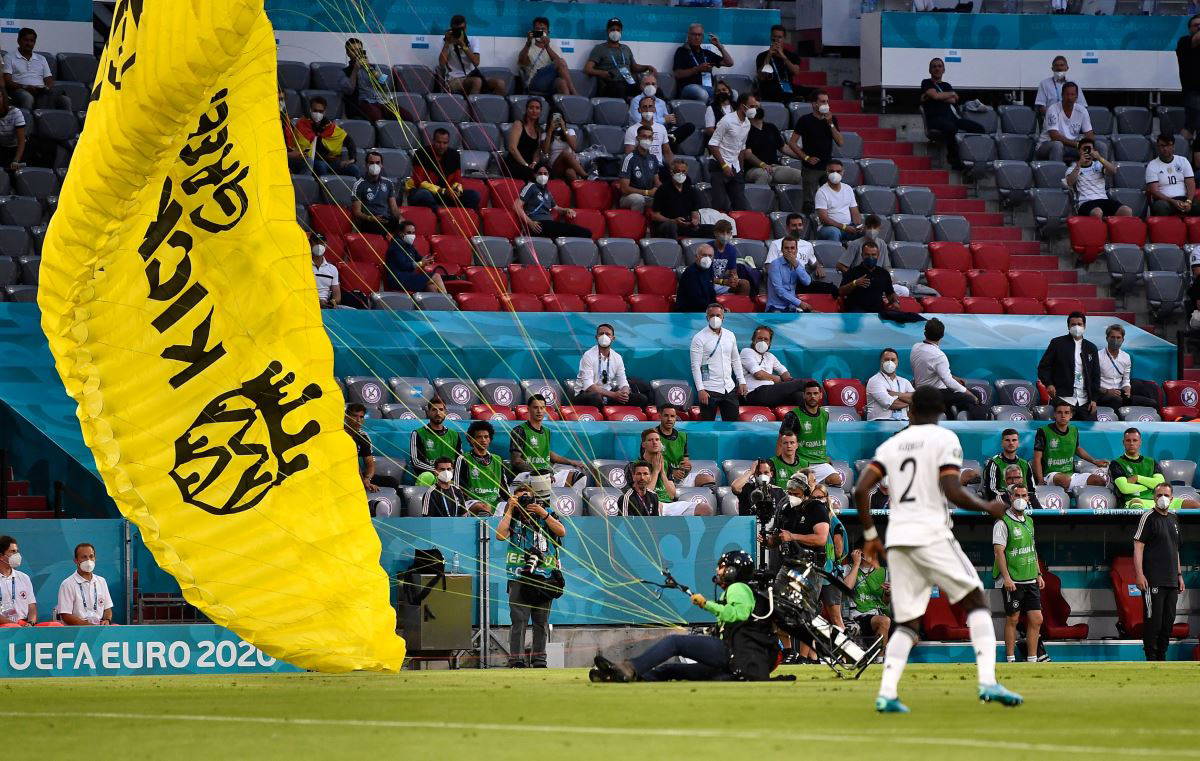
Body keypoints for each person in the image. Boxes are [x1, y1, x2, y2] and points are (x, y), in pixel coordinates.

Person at [854, 386, 1022, 713]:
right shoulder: (945, 440)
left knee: (907, 621)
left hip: (899, 540)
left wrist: (872, 533)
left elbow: (861, 489)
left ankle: (887, 692)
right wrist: (988, 506)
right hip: (931, 532)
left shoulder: (891, 445)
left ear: (911, 411)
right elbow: (952, 490)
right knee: (976, 600)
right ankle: (988, 682)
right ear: (941, 412)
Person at [595, 550, 776, 682]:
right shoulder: (739, 591)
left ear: (731, 571)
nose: (718, 572)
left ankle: (629, 668)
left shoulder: (738, 588)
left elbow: (739, 614)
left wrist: (706, 604)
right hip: (732, 660)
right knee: (671, 670)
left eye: (722, 568)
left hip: (730, 652)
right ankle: (621, 677)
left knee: (675, 642)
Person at [497, 479, 566, 668]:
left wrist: (544, 514)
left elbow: (561, 531)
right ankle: (516, 660)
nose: (524, 502)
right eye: (519, 499)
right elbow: (500, 535)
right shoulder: (512, 517)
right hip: (518, 575)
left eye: (527, 498)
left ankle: (539, 660)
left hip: (544, 576)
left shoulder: (546, 514)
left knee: (541, 623)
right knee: (518, 621)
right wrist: (510, 509)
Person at [993, 483, 1045, 664]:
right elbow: (999, 552)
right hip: (1013, 580)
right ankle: (1010, 658)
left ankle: (1032, 659)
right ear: (1010, 498)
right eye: (1017, 496)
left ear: (1029, 498)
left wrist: (1038, 573)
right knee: (1013, 619)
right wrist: (1006, 578)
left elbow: (1032, 548)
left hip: (1030, 578)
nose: (1021, 499)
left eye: (1024, 495)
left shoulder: (1029, 521)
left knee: (1036, 619)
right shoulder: (1002, 523)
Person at [1132, 487, 1183, 661]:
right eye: (1159, 495)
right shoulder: (1148, 517)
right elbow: (1138, 546)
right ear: (1154, 497)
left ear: (1172, 497)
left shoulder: (1174, 519)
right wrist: (1139, 574)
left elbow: (1175, 549)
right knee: (1153, 622)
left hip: (1172, 581)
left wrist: (1179, 575)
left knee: (1168, 623)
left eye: (1166, 495)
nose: (1163, 498)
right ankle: (1151, 658)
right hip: (1153, 579)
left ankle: (1162, 656)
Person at [910, 318, 989, 420]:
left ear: (925, 333)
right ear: (942, 335)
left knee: (962, 395)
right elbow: (948, 382)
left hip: (921, 389)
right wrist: (969, 394)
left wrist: (954, 378)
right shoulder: (939, 356)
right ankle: (980, 424)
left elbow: (933, 371)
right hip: (934, 394)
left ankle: (957, 417)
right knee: (975, 395)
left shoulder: (915, 347)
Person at [920, 58, 986, 171]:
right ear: (930, 70)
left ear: (943, 69)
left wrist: (937, 96)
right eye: (934, 66)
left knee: (979, 128)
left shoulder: (946, 85)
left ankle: (974, 160)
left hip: (951, 118)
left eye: (940, 66)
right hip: (935, 119)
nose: (937, 68)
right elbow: (938, 96)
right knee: (951, 128)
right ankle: (954, 162)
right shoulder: (926, 82)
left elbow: (953, 101)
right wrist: (950, 94)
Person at [1032, 399, 1109, 492]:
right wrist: (1040, 481)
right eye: (1059, 412)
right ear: (1055, 415)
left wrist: (1094, 461)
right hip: (1050, 475)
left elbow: (1077, 449)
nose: (1063, 415)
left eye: (1066, 412)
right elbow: (1037, 459)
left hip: (1070, 475)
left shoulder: (1074, 430)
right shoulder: (1043, 431)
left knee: (1099, 481)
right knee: (1064, 480)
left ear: (1071, 415)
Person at [1037, 311, 1101, 421]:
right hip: (1062, 399)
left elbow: (1096, 375)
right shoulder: (1057, 343)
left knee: (1090, 433)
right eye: (1073, 324)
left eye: (1079, 324)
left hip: (1085, 401)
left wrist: (1094, 399)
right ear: (1068, 326)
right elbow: (1043, 367)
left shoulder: (1091, 348)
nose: (1076, 327)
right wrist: (1049, 384)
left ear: (1084, 326)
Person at [625, 428, 705, 515]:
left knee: (704, 509)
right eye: (650, 440)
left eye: (657, 440)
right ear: (644, 444)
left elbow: (671, 495)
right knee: (657, 506)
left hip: (668, 505)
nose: (655, 442)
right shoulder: (634, 466)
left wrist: (662, 472)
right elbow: (641, 494)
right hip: (647, 505)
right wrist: (655, 471)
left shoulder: (666, 465)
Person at [779, 381, 843, 487]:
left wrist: (824, 457)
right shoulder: (792, 416)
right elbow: (781, 442)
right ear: (804, 395)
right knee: (803, 486)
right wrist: (781, 465)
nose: (812, 396)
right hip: (801, 462)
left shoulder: (825, 415)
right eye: (809, 394)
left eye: (815, 393)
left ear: (820, 395)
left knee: (836, 480)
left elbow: (818, 438)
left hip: (820, 462)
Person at [574, 323, 652, 409]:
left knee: (641, 399)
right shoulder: (588, 355)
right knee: (595, 397)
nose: (604, 336)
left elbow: (623, 382)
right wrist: (614, 395)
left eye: (607, 334)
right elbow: (588, 386)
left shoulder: (617, 357)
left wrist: (624, 393)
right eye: (601, 334)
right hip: (585, 395)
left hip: (608, 396)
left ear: (613, 338)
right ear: (596, 337)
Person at [689, 302, 746, 421]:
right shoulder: (699, 338)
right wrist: (701, 389)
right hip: (709, 390)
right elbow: (695, 366)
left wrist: (741, 381)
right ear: (707, 318)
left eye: (718, 315)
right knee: (707, 427)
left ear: (723, 317)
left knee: (732, 425)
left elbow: (735, 360)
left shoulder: (730, 335)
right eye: (712, 315)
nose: (715, 318)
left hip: (729, 389)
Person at [509, 394, 586, 480]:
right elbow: (516, 461)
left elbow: (547, 453)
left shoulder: (546, 431)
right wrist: (540, 474)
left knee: (579, 477)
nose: (539, 411)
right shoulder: (519, 430)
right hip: (527, 476)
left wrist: (571, 462)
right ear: (528, 409)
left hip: (546, 475)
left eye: (542, 408)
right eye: (535, 407)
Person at [790, 91, 844, 211]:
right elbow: (792, 143)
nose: (826, 104)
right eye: (823, 101)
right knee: (809, 202)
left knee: (831, 201)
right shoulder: (805, 120)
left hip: (827, 167)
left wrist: (830, 123)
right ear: (814, 104)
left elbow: (840, 142)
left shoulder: (832, 120)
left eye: (827, 101)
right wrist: (806, 158)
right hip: (810, 168)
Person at [706, 92, 758, 212]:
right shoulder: (727, 121)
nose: (754, 110)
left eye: (755, 107)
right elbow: (713, 144)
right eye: (751, 106)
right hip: (719, 166)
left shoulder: (747, 124)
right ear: (742, 106)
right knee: (719, 204)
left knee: (741, 206)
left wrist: (741, 168)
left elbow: (741, 147)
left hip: (735, 166)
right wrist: (724, 165)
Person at [765, 213, 839, 296]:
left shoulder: (808, 245)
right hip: (784, 282)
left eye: (800, 225)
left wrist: (819, 267)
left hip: (802, 281)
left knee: (832, 289)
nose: (797, 228)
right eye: (794, 225)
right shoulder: (776, 244)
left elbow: (813, 262)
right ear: (787, 227)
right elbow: (768, 267)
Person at [408, 129, 481, 211]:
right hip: (426, 192)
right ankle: (440, 215)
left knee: (474, 195)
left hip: (445, 194)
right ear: (433, 141)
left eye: (445, 143)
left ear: (448, 143)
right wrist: (442, 191)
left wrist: (457, 191)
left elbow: (457, 180)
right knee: (424, 194)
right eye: (438, 142)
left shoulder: (454, 155)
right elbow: (419, 183)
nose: (441, 146)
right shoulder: (421, 153)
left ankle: (460, 218)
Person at [513, 163, 591, 239]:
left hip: (549, 224)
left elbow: (556, 208)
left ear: (548, 175)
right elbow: (516, 206)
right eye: (540, 173)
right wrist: (530, 222)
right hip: (538, 225)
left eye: (545, 173)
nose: (543, 176)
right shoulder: (531, 186)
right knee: (583, 233)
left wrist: (566, 210)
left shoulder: (547, 191)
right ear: (535, 175)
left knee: (584, 233)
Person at [584, 18, 655, 100]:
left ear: (621, 32)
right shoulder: (599, 49)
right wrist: (601, 73)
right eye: (612, 29)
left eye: (618, 30)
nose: (615, 32)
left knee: (651, 89)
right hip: (611, 84)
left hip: (629, 82)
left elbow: (634, 67)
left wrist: (647, 67)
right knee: (620, 89)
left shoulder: (626, 48)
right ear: (607, 31)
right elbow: (587, 69)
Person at [625, 73, 695, 153]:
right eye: (647, 84)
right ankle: (667, 143)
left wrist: (671, 121)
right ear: (641, 86)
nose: (650, 86)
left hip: (660, 133)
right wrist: (664, 120)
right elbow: (640, 121)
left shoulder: (661, 102)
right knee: (669, 142)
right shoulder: (636, 101)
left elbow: (666, 120)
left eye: (653, 84)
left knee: (689, 126)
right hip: (642, 134)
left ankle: (668, 141)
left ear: (657, 86)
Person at [439, 14, 506, 96]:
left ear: (466, 28)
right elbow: (442, 63)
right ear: (452, 28)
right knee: (477, 81)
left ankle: (492, 107)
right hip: (453, 79)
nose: (460, 32)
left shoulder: (473, 40)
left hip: (470, 75)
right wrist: (447, 43)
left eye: (462, 29)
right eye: (457, 29)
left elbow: (476, 62)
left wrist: (463, 45)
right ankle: (473, 108)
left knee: (500, 83)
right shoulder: (447, 40)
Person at [293, 96, 359, 177]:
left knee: (354, 169)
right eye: (315, 110)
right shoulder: (302, 125)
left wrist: (352, 159)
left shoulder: (331, 127)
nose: (318, 114)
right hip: (314, 161)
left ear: (325, 112)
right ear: (310, 110)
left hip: (333, 162)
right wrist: (326, 157)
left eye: (321, 111)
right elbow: (305, 150)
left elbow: (349, 141)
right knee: (321, 167)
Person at [1097, 324, 1158, 412]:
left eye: (1118, 338)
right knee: (1116, 400)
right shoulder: (1098, 356)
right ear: (1107, 338)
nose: (1115, 340)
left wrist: (1127, 390)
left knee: (1151, 401)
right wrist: (1107, 391)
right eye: (1112, 337)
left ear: (1123, 340)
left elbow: (1126, 380)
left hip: (1120, 393)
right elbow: (1092, 383)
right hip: (1104, 394)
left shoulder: (1126, 357)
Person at [741, 324, 806, 407]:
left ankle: (809, 418)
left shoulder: (770, 356)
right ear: (753, 340)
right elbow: (759, 375)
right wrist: (776, 378)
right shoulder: (747, 352)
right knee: (802, 383)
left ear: (769, 343)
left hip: (771, 394)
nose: (763, 342)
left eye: (766, 339)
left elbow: (785, 373)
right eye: (760, 338)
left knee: (800, 396)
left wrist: (788, 381)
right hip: (754, 393)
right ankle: (808, 384)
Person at [455, 420, 509, 516]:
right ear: (472, 439)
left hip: (494, 503)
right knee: (483, 508)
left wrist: (512, 501)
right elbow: (458, 488)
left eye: (486, 437)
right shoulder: (464, 459)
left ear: (490, 439)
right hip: (472, 503)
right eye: (479, 437)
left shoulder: (497, 459)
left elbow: (503, 487)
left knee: (517, 506)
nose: (483, 440)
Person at [1066, 138, 1129, 219]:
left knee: (1126, 210)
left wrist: (1099, 157)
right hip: (1084, 202)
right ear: (1079, 152)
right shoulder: (1072, 168)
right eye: (1084, 149)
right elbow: (1070, 182)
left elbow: (1113, 171)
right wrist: (1079, 165)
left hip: (1103, 200)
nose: (1087, 152)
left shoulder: (1098, 165)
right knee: (1097, 212)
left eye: (1089, 149)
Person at [654, 403, 713, 487]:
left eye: (672, 416)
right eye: (666, 416)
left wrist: (687, 467)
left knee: (706, 479)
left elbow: (685, 460)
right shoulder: (652, 435)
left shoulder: (682, 436)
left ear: (676, 418)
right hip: (660, 478)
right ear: (660, 416)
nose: (669, 419)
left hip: (679, 477)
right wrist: (670, 473)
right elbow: (649, 463)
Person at [651, 160, 712, 239]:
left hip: (685, 225)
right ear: (672, 172)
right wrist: (673, 221)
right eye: (678, 171)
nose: (681, 174)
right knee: (671, 226)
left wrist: (694, 221)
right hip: (666, 225)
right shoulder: (662, 190)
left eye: (683, 172)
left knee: (713, 229)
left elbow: (694, 212)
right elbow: (655, 216)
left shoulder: (691, 190)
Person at [845, 545, 891, 651]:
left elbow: (885, 602)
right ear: (860, 552)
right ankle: (880, 660)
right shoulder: (848, 568)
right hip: (858, 616)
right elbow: (847, 587)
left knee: (912, 635)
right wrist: (856, 564)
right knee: (884, 621)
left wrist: (888, 593)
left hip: (878, 614)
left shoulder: (883, 572)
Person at [744, 106, 803, 187]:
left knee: (800, 176)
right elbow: (748, 154)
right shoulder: (745, 130)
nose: (758, 108)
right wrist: (762, 165)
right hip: (754, 168)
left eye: (758, 106)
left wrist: (803, 156)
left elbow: (783, 148)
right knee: (764, 174)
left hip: (775, 167)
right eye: (754, 106)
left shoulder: (771, 127)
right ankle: (758, 198)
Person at [672, 24, 732, 103]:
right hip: (689, 88)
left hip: (708, 87)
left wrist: (719, 46)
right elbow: (677, 74)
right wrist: (697, 69)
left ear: (702, 37)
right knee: (702, 93)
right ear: (688, 36)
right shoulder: (681, 51)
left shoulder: (706, 53)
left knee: (733, 93)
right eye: (694, 34)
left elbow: (729, 63)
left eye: (699, 35)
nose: (696, 37)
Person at [56, 543, 114, 626]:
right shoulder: (67, 584)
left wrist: (107, 620)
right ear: (76, 560)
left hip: (99, 629)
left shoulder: (101, 581)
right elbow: (65, 615)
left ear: (95, 558)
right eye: (84, 557)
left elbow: (107, 609)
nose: (88, 560)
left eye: (91, 556)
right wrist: (88, 626)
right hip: (76, 631)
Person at [1036, 82, 1093, 163]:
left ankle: (1096, 173)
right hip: (1047, 145)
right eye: (1067, 94)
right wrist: (1078, 145)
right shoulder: (1053, 109)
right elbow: (1054, 136)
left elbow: (1089, 133)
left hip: (1072, 146)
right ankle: (1056, 173)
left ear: (1076, 96)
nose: (1069, 97)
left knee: (1100, 145)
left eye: (1072, 94)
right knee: (1057, 145)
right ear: (1062, 95)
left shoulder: (1082, 110)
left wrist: (1088, 144)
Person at [384, 220, 447, 294]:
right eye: (409, 233)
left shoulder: (409, 246)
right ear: (401, 234)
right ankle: (450, 302)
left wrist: (427, 260)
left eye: (413, 233)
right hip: (398, 279)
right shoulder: (396, 246)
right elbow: (404, 266)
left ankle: (438, 305)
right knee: (436, 276)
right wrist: (421, 263)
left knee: (431, 287)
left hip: (408, 277)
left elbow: (419, 258)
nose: (412, 235)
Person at [1108, 428, 1165, 509]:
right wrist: (1149, 487)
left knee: (1187, 503)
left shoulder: (1151, 462)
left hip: (1156, 500)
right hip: (1132, 500)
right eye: (1128, 440)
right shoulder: (1116, 463)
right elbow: (1125, 488)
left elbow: (1160, 484)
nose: (1131, 443)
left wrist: (1137, 478)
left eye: (1135, 440)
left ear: (1140, 442)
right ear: (1123, 442)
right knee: (1136, 503)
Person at [1145, 133, 1199, 218]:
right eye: (1162, 146)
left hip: (1184, 199)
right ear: (1158, 147)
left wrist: (1189, 201)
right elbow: (1154, 191)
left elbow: (1191, 183)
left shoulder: (1183, 161)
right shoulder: (1152, 165)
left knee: (1196, 205)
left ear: (1173, 146)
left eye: (1168, 145)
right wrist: (1172, 201)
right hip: (1165, 201)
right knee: (1161, 207)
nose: (1165, 149)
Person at [518, 17, 575, 97]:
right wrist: (528, 43)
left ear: (548, 32)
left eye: (543, 29)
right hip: (535, 82)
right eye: (537, 29)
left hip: (551, 82)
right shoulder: (528, 48)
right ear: (533, 32)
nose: (540, 31)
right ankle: (575, 93)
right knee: (560, 61)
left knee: (562, 82)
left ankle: (569, 105)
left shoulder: (555, 48)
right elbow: (522, 62)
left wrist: (547, 46)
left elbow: (561, 65)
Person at [839, 239, 899, 314]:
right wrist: (855, 283)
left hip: (877, 312)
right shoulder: (853, 272)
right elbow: (840, 292)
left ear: (878, 255)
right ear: (862, 255)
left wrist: (895, 302)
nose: (870, 257)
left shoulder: (884, 273)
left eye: (873, 255)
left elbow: (890, 293)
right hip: (856, 313)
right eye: (867, 255)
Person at [409, 396, 463, 479]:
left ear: (445, 412)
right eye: (434, 410)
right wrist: (437, 471)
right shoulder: (418, 433)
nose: (438, 413)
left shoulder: (454, 434)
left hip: (450, 478)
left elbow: (460, 460)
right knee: (427, 477)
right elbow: (415, 461)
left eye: (441, 410)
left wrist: (449, 473)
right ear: (428, 412)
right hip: (429, 478)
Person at [340, 38, 393, 122]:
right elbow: (348, 90)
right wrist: (355, 70)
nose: (357, 53)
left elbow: (386, 85)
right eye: (353, 50)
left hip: (382, 102)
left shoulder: (374, 67)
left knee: (407, 116)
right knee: (376, 116)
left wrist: (370, 69)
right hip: (362, 103)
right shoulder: (344, 71)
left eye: (359, 50)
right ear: (348, 53)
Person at [349, 151, 401, 235]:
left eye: (377, 163)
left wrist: (401, 219)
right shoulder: (359, 185)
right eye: (371, 163)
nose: (375, 165)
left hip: (386, 219)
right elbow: (356, 212)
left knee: (406, 228)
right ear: (366, 165)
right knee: (383, 230)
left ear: (381, 165)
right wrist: (371, 218)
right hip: (369, 221)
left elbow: (394, 208)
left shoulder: (388, 183)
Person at [3, 28, 55, 110]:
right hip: (19, 90)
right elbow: (8, 81)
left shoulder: (41, 58)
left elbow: (49, 79)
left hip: (40, 90)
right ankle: (28, 122)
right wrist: (25, 87)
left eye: (32, 41)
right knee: (27, 97)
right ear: (18, 41)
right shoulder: (9, 57)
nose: (29, 43)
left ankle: (43, 119)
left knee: (63, 99)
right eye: (26, 40)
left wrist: (46, 88)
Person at [618, 124, 662, 213]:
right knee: (638, 199)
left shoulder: (653, 158)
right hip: (629, 197)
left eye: (649, 137)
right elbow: (624, 189)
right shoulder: (629, 158)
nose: (647, 139)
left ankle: (656, 226)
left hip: (648, 196)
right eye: (644, 136)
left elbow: (657, 182)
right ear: (638, 138)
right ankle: (635, 225)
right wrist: (647, 192)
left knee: (667, 199)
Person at [815, 160, 862, 241]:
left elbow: (854, 211)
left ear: (843, 172)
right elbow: (824, 219)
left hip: (848, 226)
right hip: (828, 228)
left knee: (866, 232)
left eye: (838, 171)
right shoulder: (821, 192)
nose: (835, 174)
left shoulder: (848, 188)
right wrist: (844, 227)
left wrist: (858, 226)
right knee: (834, 233)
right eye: (832, 171)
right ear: (827, 172)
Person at [755, 25, 804, 105]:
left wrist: (783, 56)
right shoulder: (762, 56)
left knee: (814, 92)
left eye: (779, 37)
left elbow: (796, 72)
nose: (777, 40)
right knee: (776, 90)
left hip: (787, 86)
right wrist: (768, 56)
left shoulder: (791, 55)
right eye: (774, 37)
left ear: (784, 38)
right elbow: (761, 77)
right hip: (769, 87)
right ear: (771, 37)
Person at [765, 236, 814, 313]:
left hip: (791, 307)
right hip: (776, 307)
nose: (789, 251)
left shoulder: (797, 264)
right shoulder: (775, 265)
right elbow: (780, 291)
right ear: (782, 250)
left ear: (796, 250)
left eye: (792, 248)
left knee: (815, 316)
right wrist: (799, 303)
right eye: (786, 248)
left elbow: (807, 281)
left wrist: (796, 265)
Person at [982, 429, 1033, 501]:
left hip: (1023, 500)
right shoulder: (994, 463)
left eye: (1014, 440)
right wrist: (1011, 498)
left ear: (1018, 443)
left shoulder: (1025, 464)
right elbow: (992, 491)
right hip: (1003, 502)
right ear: (1002, 443)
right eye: (1007, 440)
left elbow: (1032, 489)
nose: (1011, 443)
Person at [866, 348, 915, 422]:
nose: (890, 362)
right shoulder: (875, 381)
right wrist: (909, 401)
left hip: (903, 421)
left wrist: (897, 395)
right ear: (881, 362)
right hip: (880, 422)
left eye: (893, 360)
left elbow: (917, 399)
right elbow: (892, 404)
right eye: (886, 359)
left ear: (897, 362)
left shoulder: (904, 381)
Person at [624, 96, 673, 165]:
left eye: (650, 106)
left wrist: (672, 169)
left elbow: (667, 152)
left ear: (654, 109)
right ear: (639, 110)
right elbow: (630, 154)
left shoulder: (661, 128)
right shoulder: (631, 130)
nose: (647, 110)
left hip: (658, 166)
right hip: (641, 166)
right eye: (644, 107)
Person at [506, 97, 544, 184]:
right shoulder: (518, 124)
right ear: (526, 110)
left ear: (540, 111)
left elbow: (537, 151)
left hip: (530, 163)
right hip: (515, 162)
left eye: (537, 108)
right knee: (530, 173)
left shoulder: (539, 129)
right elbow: (512, 148)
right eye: (531, 107)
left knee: (545, 170)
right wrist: (525, 164)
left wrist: (534, 163)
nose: (534, 110)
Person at [1175, 15, 1200, 147]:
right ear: (1190, 28)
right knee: (1191, 127)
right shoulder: (1185, 41)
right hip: (1193, 92)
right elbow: (1196, 39)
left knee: (1191, 128)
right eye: (1196, 25)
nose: (1199, 27)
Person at [709, 219, 749, 297]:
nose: (725, 235)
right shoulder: (707, 248)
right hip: (709, 283)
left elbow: (733, 272)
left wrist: (734, 279)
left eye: (728, 232)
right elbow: (703, 276)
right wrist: (723, 282)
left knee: (744, 284)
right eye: (722, 232)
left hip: (723, 283)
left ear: (731, 234)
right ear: (715, 233)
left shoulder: (731, 249)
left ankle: (739, 307)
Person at [0, 536, 35, 626]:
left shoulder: (24, 577)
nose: (17, 555)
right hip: (4, 626)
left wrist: (30, 623)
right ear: (1, 556)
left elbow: (32, 606)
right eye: (12, 551)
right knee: (14, 626)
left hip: (25, 624)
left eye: (17, 551)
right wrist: (18, 626)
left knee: (55, 625)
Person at [544, 110, 588, 182]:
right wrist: (550, 131)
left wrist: (564, 129)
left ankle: (580, 190)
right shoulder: (546, 134)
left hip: (570, 164)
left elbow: (574, 147)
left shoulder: (570, 131)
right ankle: (586, 176)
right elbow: (545, 151)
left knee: (570, 172)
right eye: (554, 118)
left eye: (559, 118)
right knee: (565, 153)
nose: (557, 120)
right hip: (556, 166)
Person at [675, 243, 717, 313]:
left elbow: (711, 293)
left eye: (710, 256)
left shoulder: (709, 270)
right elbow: (695, 300)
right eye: (704, 255)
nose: (707, 258)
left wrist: (719, 307)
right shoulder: (690, 273)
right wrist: (713, 309)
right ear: (696, 256)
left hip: (703, 310)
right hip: (688, 313)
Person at [311, 234, 340, 309]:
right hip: (309, 304)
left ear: (325, 245)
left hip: (326, 306)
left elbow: (337, 297)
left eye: (321, 243)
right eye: (316, 242)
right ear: (310, 244)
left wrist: (332, 302)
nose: (319, 245)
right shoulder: (303, 265)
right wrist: (317, 301)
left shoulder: (333, 269)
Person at [0, 89, 26, 173]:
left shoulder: (15, 113)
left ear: (4, 98)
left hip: (16, 148)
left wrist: (16, 160)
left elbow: (21, 141)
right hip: (2, 148)